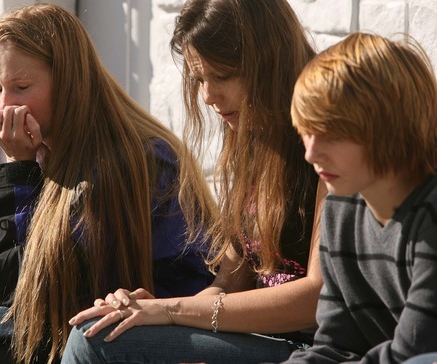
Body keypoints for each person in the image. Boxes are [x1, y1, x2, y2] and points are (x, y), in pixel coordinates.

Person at [62, 1, 325, 363]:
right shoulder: (253, 136)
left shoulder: (325, 141)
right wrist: (155, 314)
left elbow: (316, 299)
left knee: (94, 341)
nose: (207, 96)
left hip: (310, 347)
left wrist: (174, 312)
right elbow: (230, 281)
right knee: (106, 324)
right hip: (258, 337)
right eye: (200, 78)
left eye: (222, 76)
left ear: (268, 60)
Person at [0, 3, 218, 364]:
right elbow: (7, 290)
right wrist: (18, 168)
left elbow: (189, 275)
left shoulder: (143, 161)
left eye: (20, 86)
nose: (5, 106)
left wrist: (151, 301)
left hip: (132, 340)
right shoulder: (45, 155)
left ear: (68, 81)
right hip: (71, 333)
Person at [284, 32, 437, 363]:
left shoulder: (430, 216)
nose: (311, 154)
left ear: (389, 126)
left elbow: (416, 352)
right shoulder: (341, 211)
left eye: (332, 133)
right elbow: (335, 346)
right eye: (307, 131)